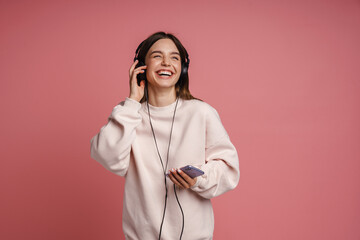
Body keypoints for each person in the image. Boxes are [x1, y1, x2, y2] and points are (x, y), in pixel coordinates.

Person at [90, 31, 240, 240]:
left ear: (183, 69)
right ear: (141, 66)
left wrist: (197, 179)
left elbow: (229, 170)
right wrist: (133, 101)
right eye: (157, 56)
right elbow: (107, 156)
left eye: (174, 57)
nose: (166, 63)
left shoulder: (201, 112)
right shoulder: (129, 114)